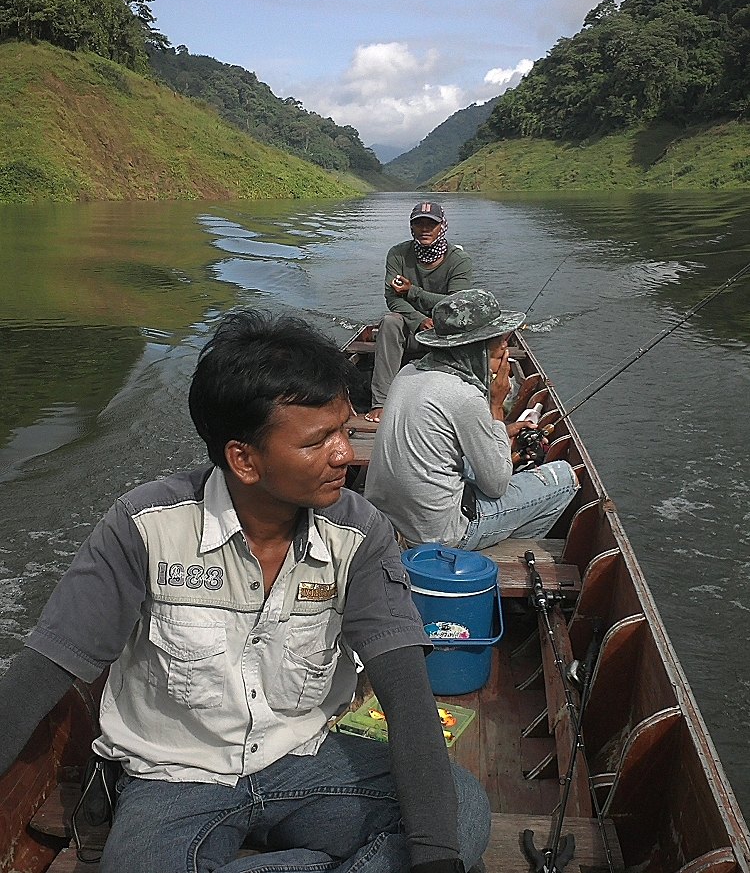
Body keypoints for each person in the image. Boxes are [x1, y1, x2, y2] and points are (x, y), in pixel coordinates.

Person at [0, 310, 490, 873]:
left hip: (303, 761)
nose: (345, 455)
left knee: (462, 810)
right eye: (318, 441)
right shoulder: (144, 528)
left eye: (344, 431)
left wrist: (436, 861)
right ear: (244, 459)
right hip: (175, 779)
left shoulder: (361, 535)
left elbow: (406, 699)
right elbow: (39, 676)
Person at [365, 289, 579, 549]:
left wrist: (501, 431)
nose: (504, 349)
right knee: (564, 478)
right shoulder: (466, 396)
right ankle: (502, 551)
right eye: (499, 345)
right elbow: (496, 486)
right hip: (437, 534)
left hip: (384, 521)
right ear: (478, 349)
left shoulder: (408, 372)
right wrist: (496, 406)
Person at [366, 202, 472, 423]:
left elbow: (456, 304)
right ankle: (380, 402)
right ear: (411, 227)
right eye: (419, 223)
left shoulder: (459, 260)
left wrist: (413, 291)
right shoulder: (397, 254)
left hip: (446, 331)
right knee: (390, 322)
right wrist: (419, 320)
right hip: (412, 330)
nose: (425, 229)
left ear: (442, 226)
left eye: (431, 224)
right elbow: (392, 298)